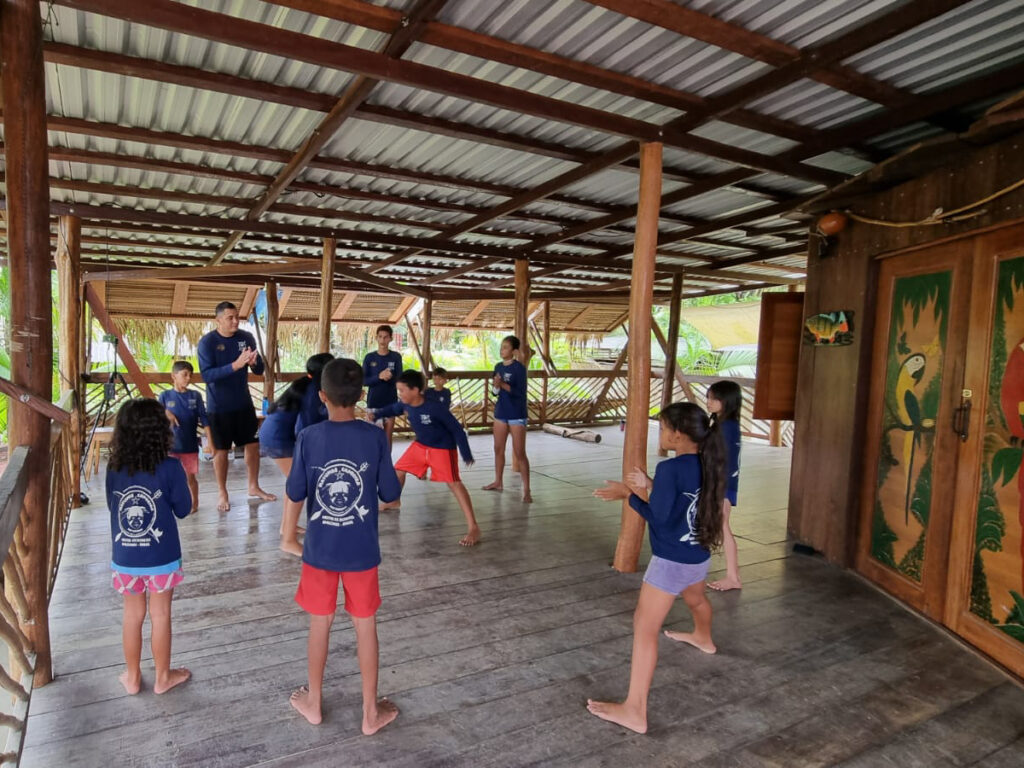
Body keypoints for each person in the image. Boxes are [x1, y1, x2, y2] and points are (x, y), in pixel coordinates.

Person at [589, 402, 725, 734]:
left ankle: (635, 710)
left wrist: (629, 495)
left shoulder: (671, 469)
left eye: (663, 428)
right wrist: (650, 484)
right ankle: (704, 638)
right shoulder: (710, 463)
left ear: (677, 435)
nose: (660, 434)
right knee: (696, 600)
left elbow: (660, 520)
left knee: (644, 627)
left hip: (670, 562)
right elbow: (683, 498)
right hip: (699, 555)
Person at [281, 358, 401, 735]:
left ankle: (314, 702)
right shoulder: (373, 437)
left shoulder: (309, 437)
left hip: (319, 552)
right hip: (361, 552)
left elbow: (295, 491)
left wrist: (288, 534)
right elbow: (390, 493)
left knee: (321, 624)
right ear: (362, 395)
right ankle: (370, 712)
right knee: (366, 627)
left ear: (321, 396)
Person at [106, 398, 193, 696]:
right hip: (162, 557)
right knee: (161, 615)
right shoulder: (170, 467)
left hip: (126, 557)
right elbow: (183, 509)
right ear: (161, 431)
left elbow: (111, 506)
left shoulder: (114, 467)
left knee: (132, 615)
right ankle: (163, 677)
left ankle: (132, 677)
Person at [367, 370, 481, 547]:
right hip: (421, 446)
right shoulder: (405, 404)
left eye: (403, 390)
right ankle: (394, 501)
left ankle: (473, 527)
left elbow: (457, 429)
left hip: (442, 448)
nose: (400, 394)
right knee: (398, 470)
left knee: (454, 483)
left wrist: (465, 452)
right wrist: (377, 414)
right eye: (399, 391)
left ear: (416, 390)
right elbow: (391, 409)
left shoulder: (434, 407)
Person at [198, 301, 276, 512]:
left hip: (243, 403)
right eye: (229, 318)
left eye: (236, 317)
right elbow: (207, 375)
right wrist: (235, 365)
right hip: (219, 407)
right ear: (218, 320)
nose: (235, 321)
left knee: (252, 445)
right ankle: (222, 491)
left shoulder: (246, 338)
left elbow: (259, 369)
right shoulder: (207, 342)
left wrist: (253, 363)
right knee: (221, 451)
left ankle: (253, 486)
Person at [258, 353, 334, 542]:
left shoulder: (310, 385)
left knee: (295, 481)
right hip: (278, 437)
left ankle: (287, 527)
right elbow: (305, 427)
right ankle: (288, 536)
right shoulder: (312, 391)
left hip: (279, 434)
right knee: (300, 483)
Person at [158, 360, 213, 514]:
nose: (188, 378)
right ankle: (167, 504)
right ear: (173, 376)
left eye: (190, 375)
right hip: (170, 446)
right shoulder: (165, 395)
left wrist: (211, 442)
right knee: (168, 478)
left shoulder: (195, 395)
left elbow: (205, 419)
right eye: (184, 375)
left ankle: (194, 505)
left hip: (189, 446)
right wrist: (166, 413)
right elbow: (155, 414)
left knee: (190, 478)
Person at [483, 335, 532, 502]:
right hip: (501, 412)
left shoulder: (519, 369)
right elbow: (494, 393)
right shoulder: (498, 366)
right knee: (498, 448)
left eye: (505, 347)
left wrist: (504, 385)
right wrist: (497, 387)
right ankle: (498, 481)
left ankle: (526, 489)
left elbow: (520, 393)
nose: (502, 350)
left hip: (517, 413)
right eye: (502, 347)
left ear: (514, 351)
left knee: (519, 453)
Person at [706, 381, 744, 592]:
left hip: (722, 484)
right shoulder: (725, 424)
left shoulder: (726, 427)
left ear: (727, 401)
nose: (709, 402)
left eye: (714, 398)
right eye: (708, 397)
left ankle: (733, 577)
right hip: (723, 483)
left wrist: (716, 489)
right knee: (720, 525)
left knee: (723, 526)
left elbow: (724, 460)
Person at [363, 325, 403, 450]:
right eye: (380, 337)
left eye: (386, 337)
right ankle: (373, 465)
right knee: (372, 437)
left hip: (390, 402)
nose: (382, 340)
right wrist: (379, 377)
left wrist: (390, 377)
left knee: (387, 436)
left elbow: (400, 379)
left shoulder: (396, 357)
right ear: (376, 338)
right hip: (373, 402)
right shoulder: (369, 357)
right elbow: (363, 381)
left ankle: (386, 465)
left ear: (390, 339)